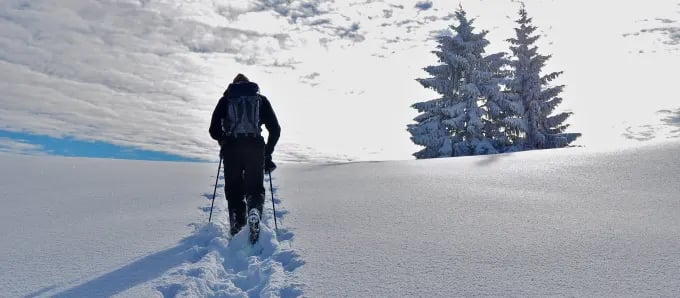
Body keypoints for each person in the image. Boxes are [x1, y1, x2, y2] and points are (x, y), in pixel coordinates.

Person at [209, 73, 280, 242]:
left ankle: (237, 223)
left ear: (233, 84)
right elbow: (275, 129)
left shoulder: (226, 99)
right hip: (255, 147)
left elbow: (213, 129)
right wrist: (267, 152)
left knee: (234, 190)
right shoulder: (260, 100)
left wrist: (223, 139)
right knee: (255, 189)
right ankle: (254, 211)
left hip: (232, 148)